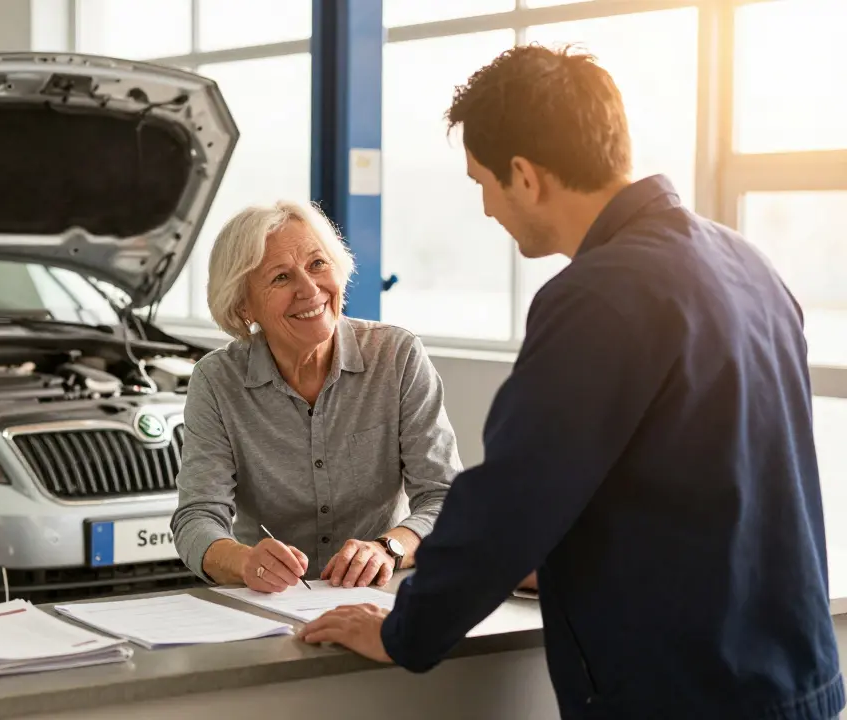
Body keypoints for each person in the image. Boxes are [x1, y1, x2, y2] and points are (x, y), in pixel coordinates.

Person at [299, 44, 844, 720]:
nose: (487, 209)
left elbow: (511, 498)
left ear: (525, 176)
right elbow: (706, 477)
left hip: (686, 694)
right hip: (795, 683)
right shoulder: (746, 263)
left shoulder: (600, 296)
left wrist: (401, 631)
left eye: (482, 182)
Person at [170, 199, 462, 593]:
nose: (309, 290)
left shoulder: (398, 357)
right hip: (269, 600)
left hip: (382, 594)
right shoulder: (216, 381)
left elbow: (445, 499)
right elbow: (196, 518)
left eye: (317, 264)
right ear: (243, 306)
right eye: (281, 277)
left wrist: (388, 548)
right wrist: (244, 561)